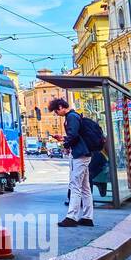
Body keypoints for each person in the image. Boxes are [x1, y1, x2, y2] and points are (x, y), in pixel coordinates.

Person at [48, 97, 93, 227]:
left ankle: (72, 217)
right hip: (84, 153)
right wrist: (63, 138)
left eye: (56, 111)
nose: (57, 114)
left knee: (75, 186)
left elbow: (73, 136)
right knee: (85, 187)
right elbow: (76, 135)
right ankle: (87, 217)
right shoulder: (75, 116)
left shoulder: (71, 117)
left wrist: (66, 144)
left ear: (61, 107)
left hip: (79, 155)